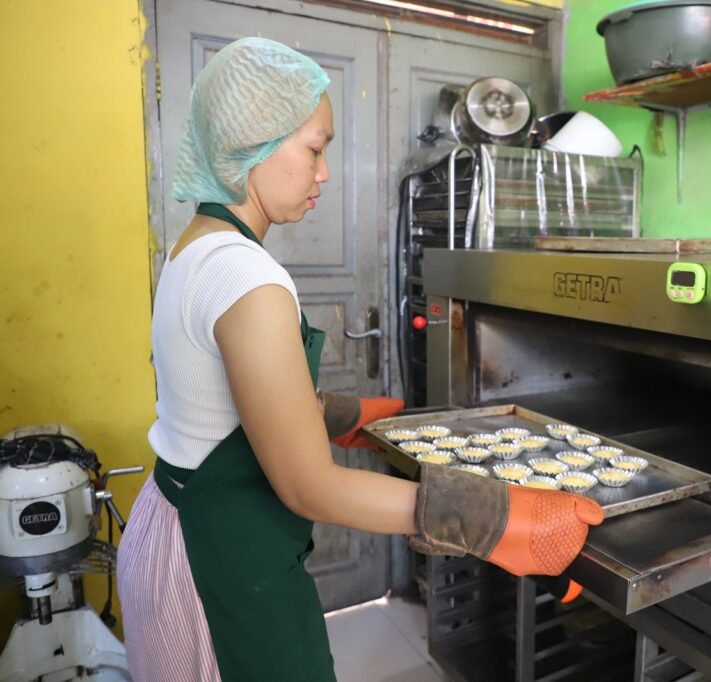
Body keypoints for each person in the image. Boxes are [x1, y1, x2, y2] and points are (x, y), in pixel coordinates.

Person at [115, 37, 604, 682]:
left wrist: (344, 416)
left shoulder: (196, 247)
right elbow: (309, 487)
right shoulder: (245, 275)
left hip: (175, 526)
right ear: (253, 143)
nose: (324, 173)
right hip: (218, 564)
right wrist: (498, 518)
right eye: (314, 149)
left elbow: (218, 405)